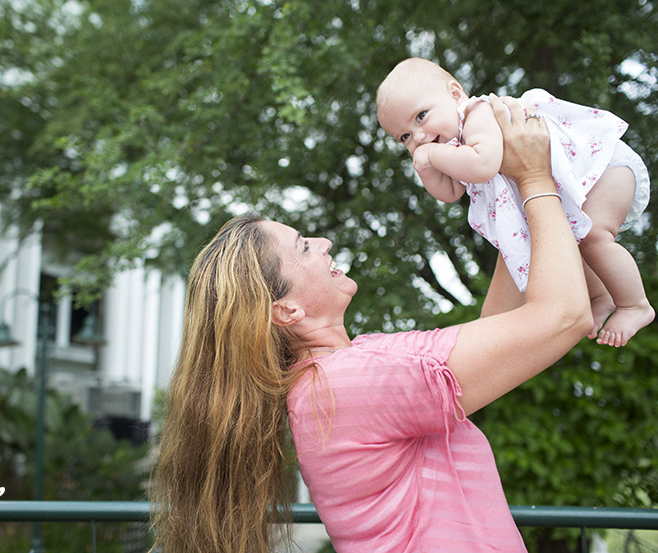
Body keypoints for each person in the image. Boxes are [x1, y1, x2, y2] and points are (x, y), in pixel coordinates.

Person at [150, 96, 593, 553]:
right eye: (303, 247)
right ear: (287, 311)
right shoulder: (345, 386)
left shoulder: (352, 366)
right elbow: (562, 317)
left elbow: (502, 331)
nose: (322, 242)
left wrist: (506, 192)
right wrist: (536, 178)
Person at [376, 57, 654, 347]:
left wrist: (431, 157)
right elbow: (450, 193)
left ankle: (635, 305)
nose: (418, 137)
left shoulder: (477, 114)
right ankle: (602, 296)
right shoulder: (450, 146)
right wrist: (426, 168)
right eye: (404, 136)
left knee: (595, 236)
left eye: (421, 116)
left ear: (455, 94)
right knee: (575, 245)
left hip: (601, 170)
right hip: (578, 186)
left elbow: (483, 165)